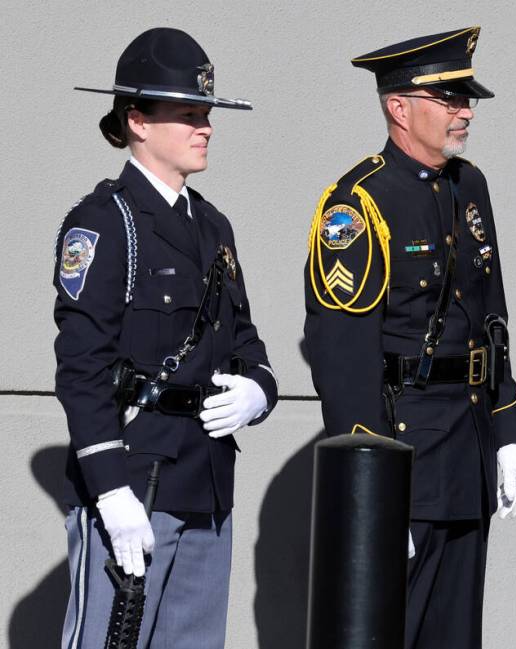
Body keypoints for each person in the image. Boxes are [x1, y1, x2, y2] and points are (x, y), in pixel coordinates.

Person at [303, 27, 516, 649]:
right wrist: (372, 488)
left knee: (456, 634)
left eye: (467, 100)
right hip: (406, 451)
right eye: (449, 99)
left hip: (468, 446)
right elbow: (343, 355)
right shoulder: (358, 203)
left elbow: (491, 314)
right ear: (398, 107)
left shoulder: (469, 185)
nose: (465, 112)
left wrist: (509, 431)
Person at [55, 28, 277, 649]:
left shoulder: (213, 224)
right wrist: (110, 491)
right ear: (138, 121)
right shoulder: (104, 223)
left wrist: (259, 390)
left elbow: (246, 342)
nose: (205, 127)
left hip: (204, 483)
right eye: (187, 114)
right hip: (134, 481)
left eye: (206, 115)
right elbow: (81, 368)